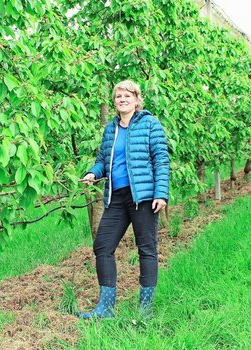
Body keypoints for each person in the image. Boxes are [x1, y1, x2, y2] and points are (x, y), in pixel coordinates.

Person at [77, 80, 169, 319]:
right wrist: (92, 173)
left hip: (143, 197)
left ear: (137, 100)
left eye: (127, 95)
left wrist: (161, 193)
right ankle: (106, 308)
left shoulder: (150, 124)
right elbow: (102, 160)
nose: (122, 99)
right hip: (116, 196)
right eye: (118, 96)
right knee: (102, 246)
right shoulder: (111, 129)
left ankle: (145, 309)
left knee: (146, 249)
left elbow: (161, 160)